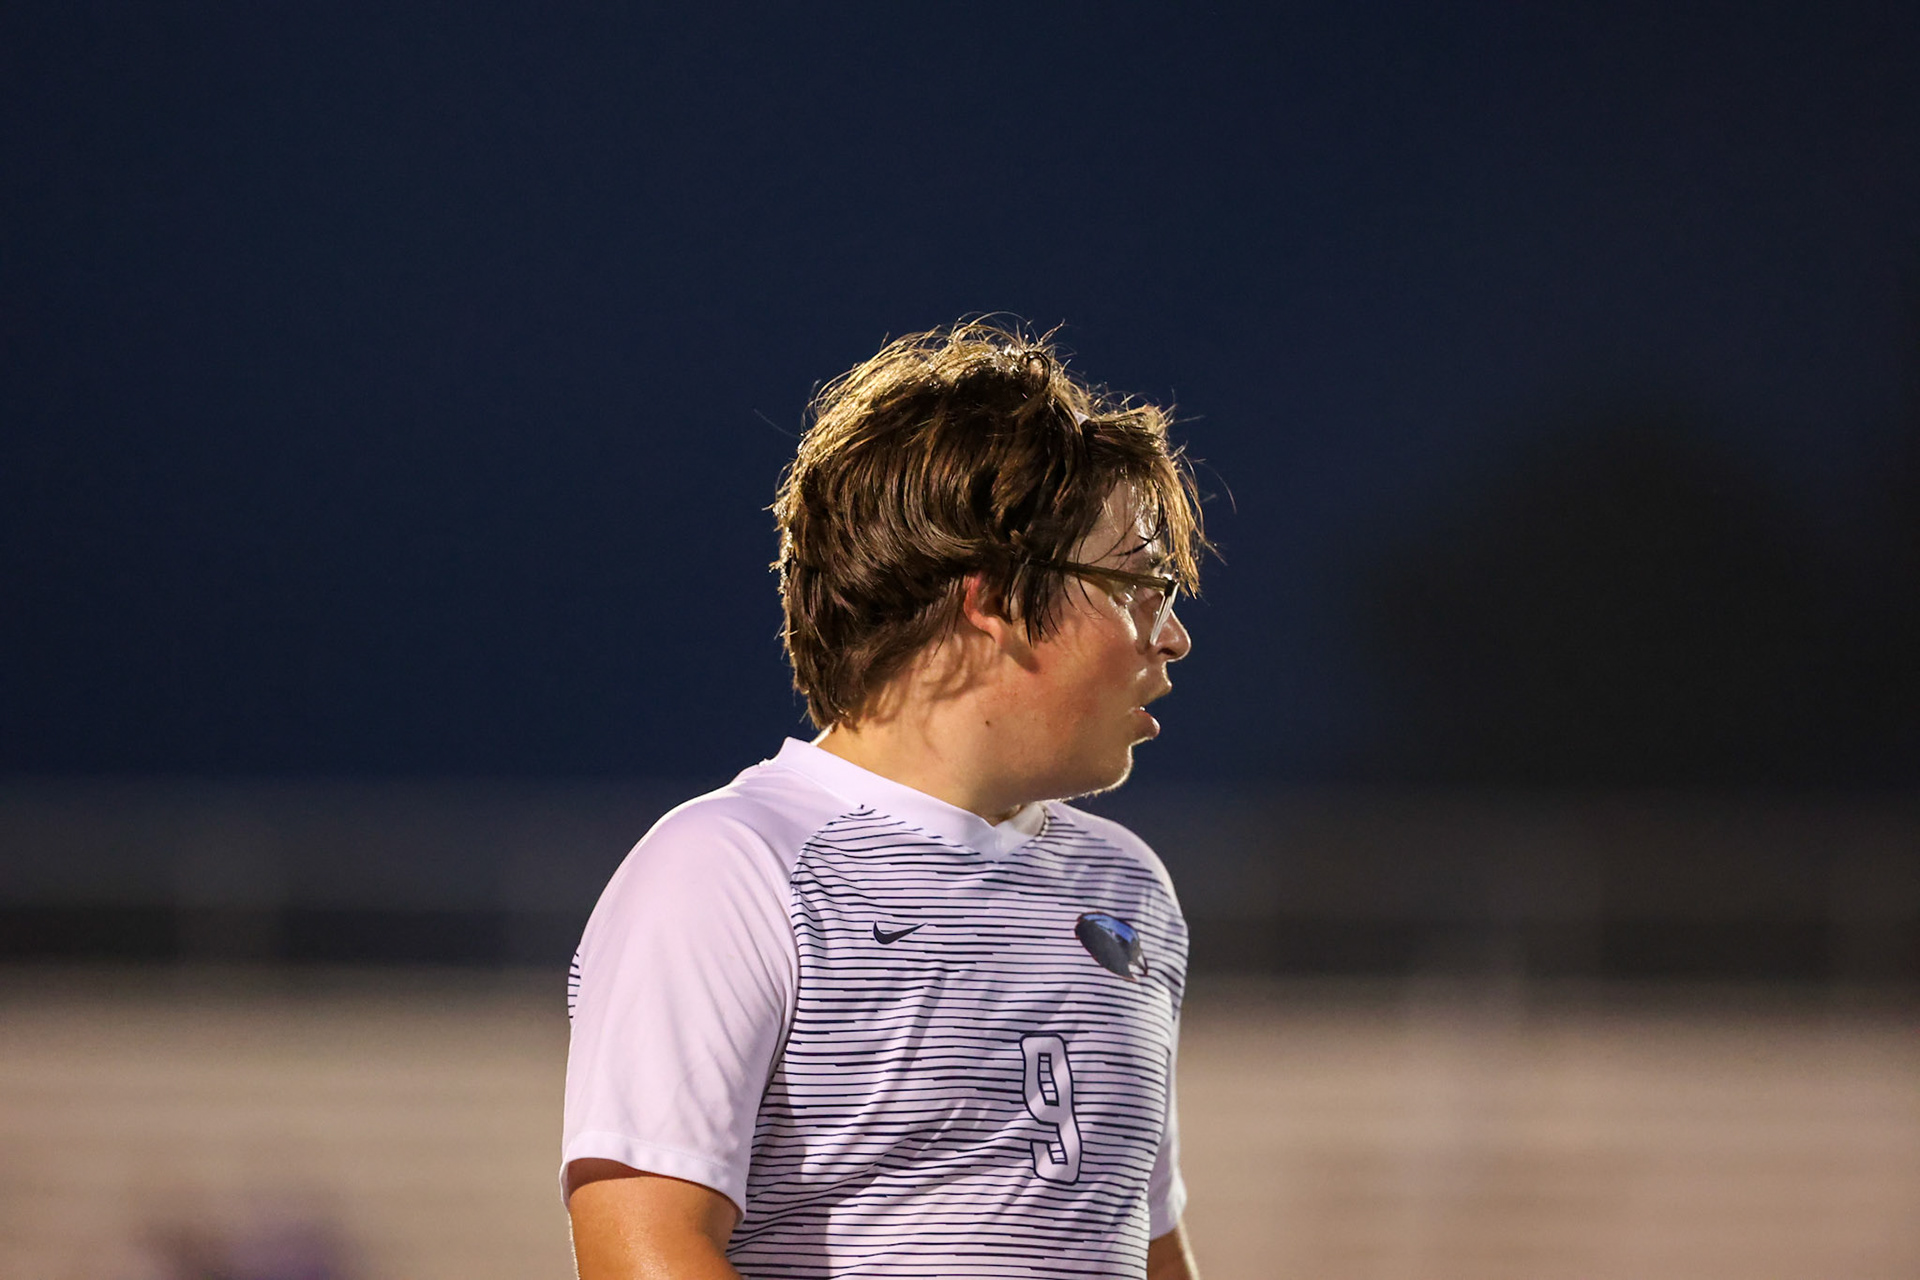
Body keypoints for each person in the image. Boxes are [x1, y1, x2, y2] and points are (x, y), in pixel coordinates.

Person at [561, 321, 1208, 1279]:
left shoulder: (1127, 886)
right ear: (995, 599)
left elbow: (1144, 1247)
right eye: (1138, 585)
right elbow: (641, 1252)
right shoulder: (727, 868)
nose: (1172, 635)